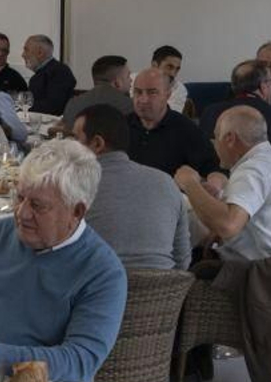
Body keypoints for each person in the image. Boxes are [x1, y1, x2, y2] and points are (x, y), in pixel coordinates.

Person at [0, 139, 126, 382]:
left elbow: (80, 361)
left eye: (38, 206)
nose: (22, 213)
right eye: (20, 197)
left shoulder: (102, 271)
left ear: (77, 211)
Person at [176, 105, 271, 263]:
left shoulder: (253, 169)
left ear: (230, 139)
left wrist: (190, 184)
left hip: (265, 274)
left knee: (180, 267)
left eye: (216, 137)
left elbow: (228, 226)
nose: (215, 145)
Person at [71, 104, 189, 271]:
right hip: (164, 292)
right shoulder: (166, 182)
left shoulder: (75, 185)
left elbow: (55, 248)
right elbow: (182, 259)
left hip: (94, 292)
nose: (70, 147)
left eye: (76, 139)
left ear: (97, 144)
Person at [197, 60, 271, 160]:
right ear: (263, 86)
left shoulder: (209, 111)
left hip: (217, 177)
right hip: (262, 177)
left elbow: (200, 150)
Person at [126, 67, 217, 177]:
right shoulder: (120, 126)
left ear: (167, 95)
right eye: (138, 92)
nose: (143, 99)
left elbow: (212, 168)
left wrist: (215, 181)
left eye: (152, 92)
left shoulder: (187, 130)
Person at [61, 55, 132, 127]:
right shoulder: (130, 106)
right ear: (117, 83)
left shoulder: (73, 104)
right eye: (128, 76)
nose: (131, 80)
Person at [23, 34, 76, 115]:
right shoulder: (38, 76)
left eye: (26, 50)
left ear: (40, 53)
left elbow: (53, 107)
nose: (23, 55)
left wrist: (22, 105)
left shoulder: (60, 72)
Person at [152, 45, 190, 113]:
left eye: (177, 69)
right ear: (154, 65)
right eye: (169, 67)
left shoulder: (179, 89)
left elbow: (168, 116)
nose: (173, 74)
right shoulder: (132, 80)